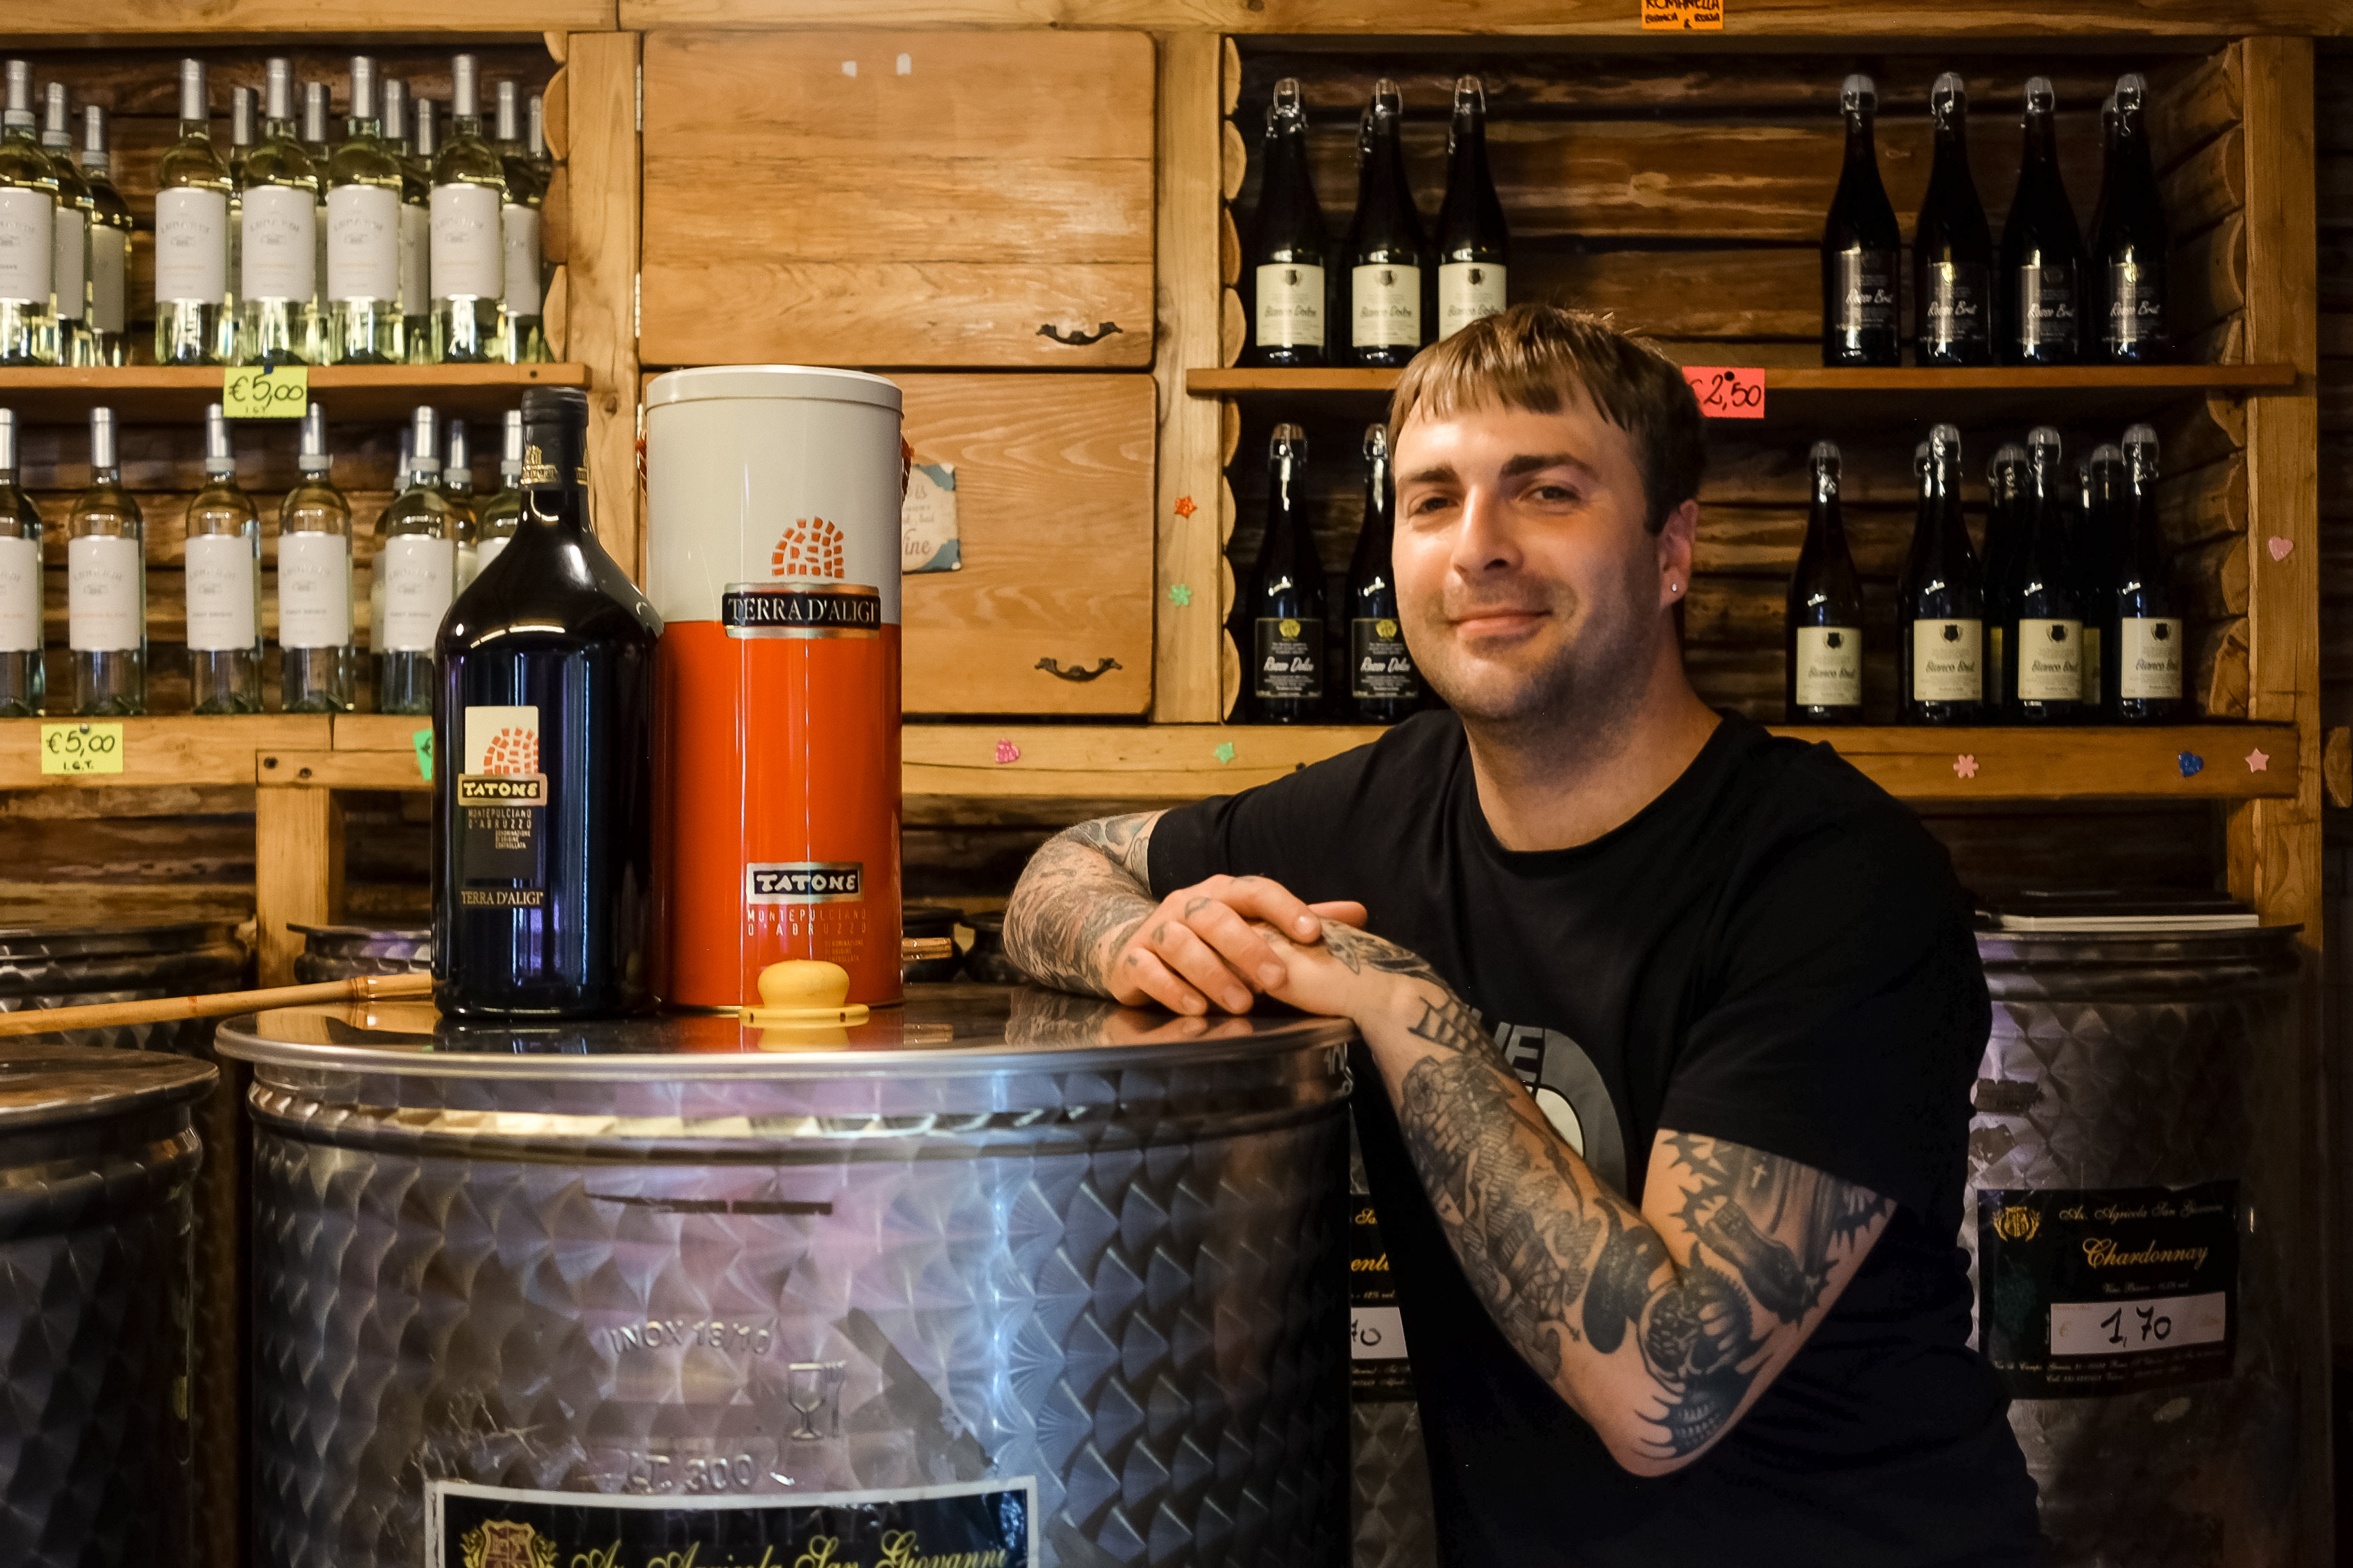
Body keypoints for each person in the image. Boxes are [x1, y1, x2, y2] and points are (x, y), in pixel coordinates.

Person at [1002, 304, 2042, 1565]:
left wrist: (1399, 1006)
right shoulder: (1381, 808)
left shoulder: (1833, 876)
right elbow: (1068, 867)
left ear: (1672, 552)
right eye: (1432, 502)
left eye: (1547, 492)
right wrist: (1134, 942)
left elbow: (1667, 1391)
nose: (1478, 547)